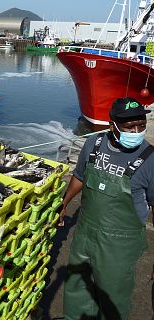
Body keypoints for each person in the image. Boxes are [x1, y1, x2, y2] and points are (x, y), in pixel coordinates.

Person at [59, 97, 154, 320]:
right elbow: (79, 176)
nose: (136, 131)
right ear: (112, 126)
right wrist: (63, 204)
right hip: (85, 234)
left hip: (120, 245)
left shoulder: (150, 159)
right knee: (76, 292)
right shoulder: (94, 144)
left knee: (113, 300)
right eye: (130, 127)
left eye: (141, 125)